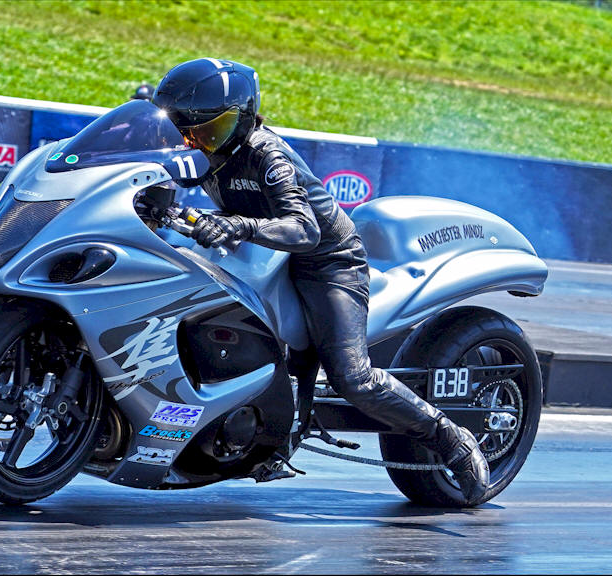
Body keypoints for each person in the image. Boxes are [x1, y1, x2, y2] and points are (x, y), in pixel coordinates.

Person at [152, 58, 490, 505]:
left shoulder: (266, 155)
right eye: (186, 131)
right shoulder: (196, 148)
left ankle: (449, 438)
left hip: (325, 264)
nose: (196, 142)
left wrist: (237, 226)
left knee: (354, 378)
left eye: (208, 132)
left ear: (244, 117)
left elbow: (304, 230)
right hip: (261, 256)